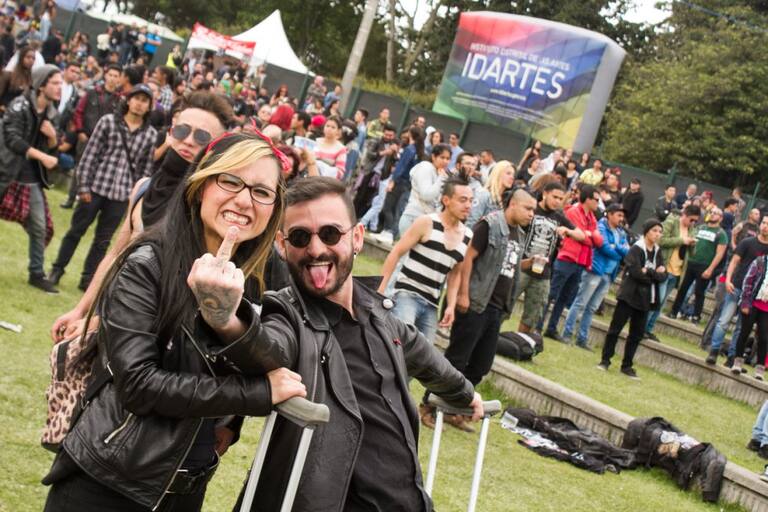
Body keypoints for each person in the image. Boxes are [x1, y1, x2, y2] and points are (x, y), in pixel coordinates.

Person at [41, 132, 306, 512]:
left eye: (262, 191)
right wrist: (257, 394)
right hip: (108, 483)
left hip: (186, 488)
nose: (244, 200)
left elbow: (281, 352)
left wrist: (227, 321)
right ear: (200, 186)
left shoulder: (266, 274)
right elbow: (139, 385)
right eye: (230, 180)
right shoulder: (147, 264)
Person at [212, 176, 483, 511]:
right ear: (282, 245)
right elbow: (266, 347)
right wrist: (227, 319)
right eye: (300, 237)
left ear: (356, 237)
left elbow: (433, 365)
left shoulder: (383, 319)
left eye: (330, 234)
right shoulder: (287, 316)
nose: (316, 249)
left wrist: (467, 395)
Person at [50, 91, 235, 341]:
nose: (189, 141)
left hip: (150, 333)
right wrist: (81, 310)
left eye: (201, 136)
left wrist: (100, 321)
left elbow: (177, 288)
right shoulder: (143, 188)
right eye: (182, 130)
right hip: (111, 310)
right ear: (170, 132)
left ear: (216, 147)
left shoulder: (206, 206)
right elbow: (116, 255)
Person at [430, 188, 534, 431]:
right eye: (528, 208)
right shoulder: (490, 225)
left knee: (481, 364)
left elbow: (507, 265)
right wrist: (463, 294)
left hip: (496, 308)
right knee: (457, 359)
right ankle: (430, 405)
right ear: (513, 204)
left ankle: (456, 408)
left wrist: (530, 263)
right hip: (476, 302)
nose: (531, 214)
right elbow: (467, 257)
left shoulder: (519, 234)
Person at [49, 85, 157, 291]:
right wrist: (83, 187)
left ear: (149, 106)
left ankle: (87, 279)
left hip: (121, 195)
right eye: (136, 98)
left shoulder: (150, 135)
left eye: (145, 100)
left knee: (103, 241)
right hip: (96, 187)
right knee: (75, 231)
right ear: (128, 100)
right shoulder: (108, 122)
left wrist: (134, 200)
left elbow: (145, 172)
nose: (139, 104)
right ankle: (57, 269)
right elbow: (89, 156)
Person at [378, 176, 473, 343]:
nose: (468, 205)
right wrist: (380, 288)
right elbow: (396, 253)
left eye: (471, 201)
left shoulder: (467, 236)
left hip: (432, 304)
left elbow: (455, 275)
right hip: (407, 294)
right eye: (463, 200)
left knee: (424, 355)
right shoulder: (426, 222)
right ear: (446, 200)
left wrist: (450, 306)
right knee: (399, 343)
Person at [0, 64, 61, 293]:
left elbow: (53, 150)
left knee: (39, 227)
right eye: (55, 83)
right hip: (5, 171)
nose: (59, 87)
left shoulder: (52, 114)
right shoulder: (19, 105)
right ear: (41, 85)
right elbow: (12, 139)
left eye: (60, 83)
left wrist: (52, 138)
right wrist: (42, 156)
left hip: (30, 178)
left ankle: (36, 273)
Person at [598, 218, 667, 378]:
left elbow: (663, 276)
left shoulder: (658, 252)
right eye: (654, 230)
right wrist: (653, 274)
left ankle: (627, 365)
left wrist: (648, 272)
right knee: (615, 330)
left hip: (646, 299)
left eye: (660, 232)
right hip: (629, 296)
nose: (657, 234)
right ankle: (605, 360)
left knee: (636, 335)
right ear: (646, 232)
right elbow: (635, 273)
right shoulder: (636, 248)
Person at [516, 182, 583, 334]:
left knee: (532, 317)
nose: (557, 201)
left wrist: (567, 231)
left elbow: (581, 235)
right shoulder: (532, 209)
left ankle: (519, 342)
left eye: (560, 199)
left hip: (543, 273)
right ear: (545, 193)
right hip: (521, 266)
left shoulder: (559, 216)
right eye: (555, 197)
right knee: (502, 307)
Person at [540, 185, 603, 339]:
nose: (598, 203)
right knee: (552, 294)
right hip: (567, 258)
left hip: (581, 262)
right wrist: (588, 235)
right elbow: (583, 237)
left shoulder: (592, 218)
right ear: (587, 199)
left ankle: (551, 328)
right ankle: (538, 325)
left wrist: (587, 235)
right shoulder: (573, 211)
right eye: (596, 199)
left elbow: (599, 241)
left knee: (564, 297)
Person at [563, 203, 629, 349]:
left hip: (609, 274)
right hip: (595, 270)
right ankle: (567, 333)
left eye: (622, 216)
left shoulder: (621, 232)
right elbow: (604, 247)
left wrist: (616, 248)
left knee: (592, 308)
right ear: (610, 214)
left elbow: (627, 252)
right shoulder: (600, 227)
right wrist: (619, 252)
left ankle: (582, 339)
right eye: (619, 215)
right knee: (580, 303)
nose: (621, 218)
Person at [707, 215, 768, 366]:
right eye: (764, 223)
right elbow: (734, 262)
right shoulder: (748, 242)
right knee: (724, 321)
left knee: (741, 328)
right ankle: (714, 351)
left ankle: (732, 357)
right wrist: (728, 280)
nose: (765, 226)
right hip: (737, 286)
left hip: (754, 295)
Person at [643, 204, 701, 341]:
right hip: (664, 268)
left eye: (695, 221)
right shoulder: (671, 222)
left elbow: (692, 254)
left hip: (677, 271)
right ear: (685, 215)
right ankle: (642, 328)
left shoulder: (692, 230)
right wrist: (682, 240)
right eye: (691, 219)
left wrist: (692, 244)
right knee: (657, 300)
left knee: (661, 303)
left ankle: (649, 329)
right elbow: (660, 240)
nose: (693, 223)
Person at [669, 207, 727, 323]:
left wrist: (710, 269)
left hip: (704, 266)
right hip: (690, 262)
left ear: (721, 218)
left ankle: (696, 316)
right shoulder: (700, 227)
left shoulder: (721, 234)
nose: (712, 214)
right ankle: (674, 311)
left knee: (699, 292)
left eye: (715, 213)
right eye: (711, 212)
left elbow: (719, 254)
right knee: (682, 288)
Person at [399, 140, 450, 237]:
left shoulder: (439, 173)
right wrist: (441, 178)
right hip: (413, 218)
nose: (445, 161)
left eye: (448, 158)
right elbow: (426, 195)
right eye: (442, 157)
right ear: (433, 156)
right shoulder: (426, 168)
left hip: (427, 221)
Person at [731, 253, 768, 378]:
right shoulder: (760, 262)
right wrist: (745, 303)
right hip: (753, 303)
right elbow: (748, 281)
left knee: (764, 338)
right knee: (744, 332)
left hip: (766, 308)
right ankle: (737, 362)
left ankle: (760, 369)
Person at [312, 115, 347, 179]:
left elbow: (340, 173)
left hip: (324, 182)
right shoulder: (315, 141)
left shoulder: (341, 149)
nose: (329, 129)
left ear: (338, 131)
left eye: (333, 127)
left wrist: (322, 166)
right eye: (327, 126)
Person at [0, 45, 34, 110]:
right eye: (28, 57)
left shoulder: (31, 79)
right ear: (21, 58)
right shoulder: (9, 75)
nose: (31, 60)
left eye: (33, 58)